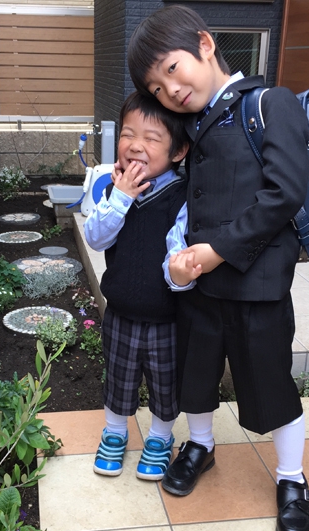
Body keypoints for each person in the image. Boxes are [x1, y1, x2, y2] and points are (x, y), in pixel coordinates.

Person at [125, 5, 309, 531]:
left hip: (258, 285)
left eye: (172, 69)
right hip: (202, 288)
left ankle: (292, 481)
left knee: (272, 382)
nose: (169, 90)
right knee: (196, 374)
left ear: (205, 45)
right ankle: (200, 447)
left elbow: (284, 193)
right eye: (156, 86)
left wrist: (215, 251)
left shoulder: (269, 104)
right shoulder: (192, 124)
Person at [84, 91, 189, 482]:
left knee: (166, 382)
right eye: (129, 134)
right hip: (122, 310)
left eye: (152, 138)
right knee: (119, 376)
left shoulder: (181, 196)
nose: (136, 146)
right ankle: (114, 432)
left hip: (167, 315)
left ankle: (161, 438)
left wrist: (179, 275)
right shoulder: (114, 190)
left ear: (178, 151)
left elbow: (178, 248)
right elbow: (95, 238)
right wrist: (122, 198)